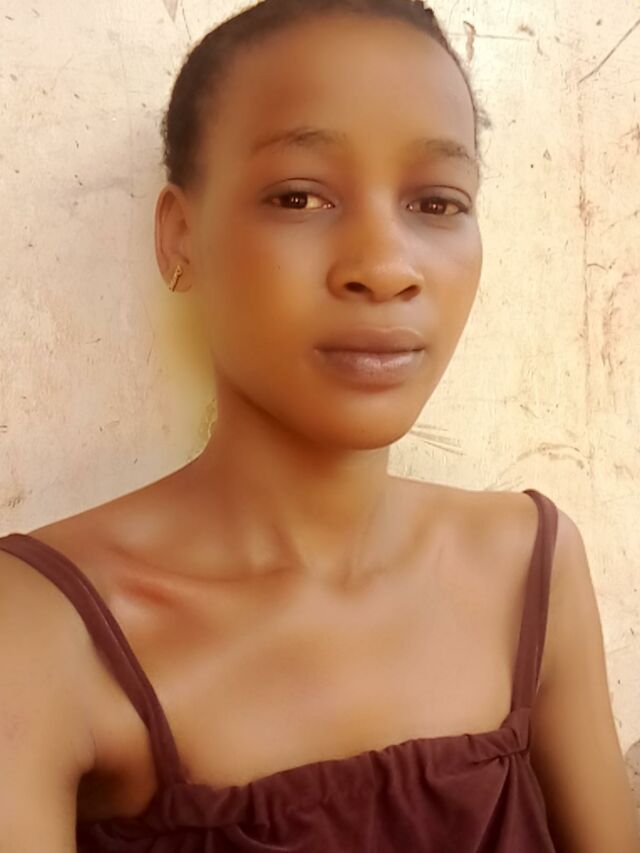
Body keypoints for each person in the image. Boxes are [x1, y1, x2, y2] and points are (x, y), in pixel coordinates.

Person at [0, 1, 638, 850]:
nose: (385, 267)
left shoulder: (532, 564)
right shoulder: (40, 630)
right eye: (298, 196)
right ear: (180, 236)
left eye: (437, 202)